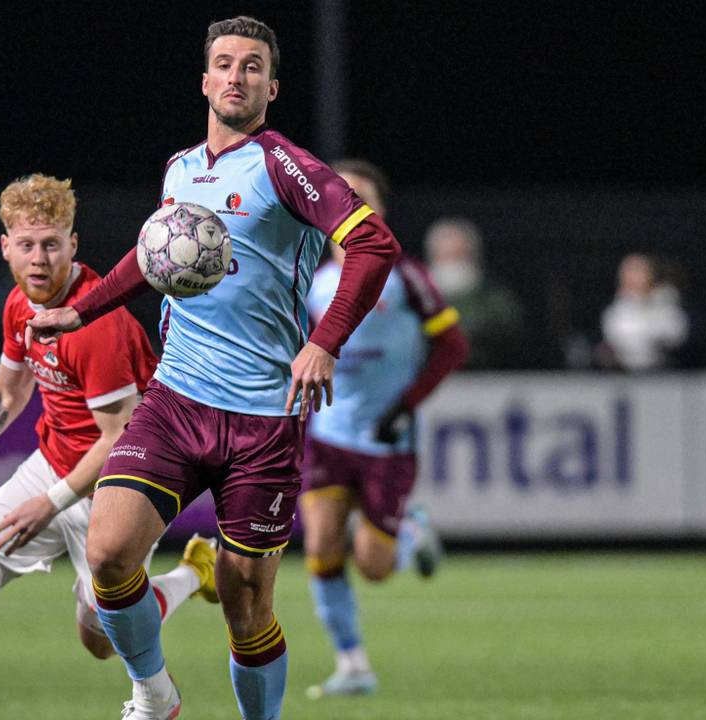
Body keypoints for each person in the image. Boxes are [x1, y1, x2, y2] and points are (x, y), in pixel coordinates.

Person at [27, 18, 401, 720]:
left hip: (264, 419)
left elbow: (373, 243)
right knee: (108, 555)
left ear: (271, 86)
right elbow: (154, 255)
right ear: (204, 81)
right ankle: (155, 693)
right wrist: (84, 310)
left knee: (246, 604)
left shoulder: (283, 165)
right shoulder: (179, 169)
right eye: (224, 64)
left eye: (252, 66)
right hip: (177, 399)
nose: (236, 76)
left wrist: (324, 340)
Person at [0, 174, 218, 720]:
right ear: (6, 247)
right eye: (26, 245)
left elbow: (117, 438)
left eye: (51, 244)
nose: (39, 258)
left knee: (101, 638)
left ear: (73, 244)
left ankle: (193, 576)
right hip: (55, 466)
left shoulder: (98, 324)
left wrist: (48, 504)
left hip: (124, 481)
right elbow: (7, 392)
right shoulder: (20, 306)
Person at [300, 159, 468, 699]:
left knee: (373, 566)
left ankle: (411, 528)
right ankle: (353, 665)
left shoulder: (408, 276)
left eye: (361, 198)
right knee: (322, 546)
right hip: (327, 433)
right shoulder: (312, 282)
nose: (348, 207)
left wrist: (407, 403)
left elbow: (452, 345)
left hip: (387, 440)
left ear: (381, 212)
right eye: (339, 198)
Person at [424, 217, 525, 369]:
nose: (452, 264)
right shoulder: (416, 295)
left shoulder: (494, 295)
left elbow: (509, 328)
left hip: (484, 377)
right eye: (445, 255)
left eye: (457, 254)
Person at [598, 253, 690, 371]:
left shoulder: (667, 302)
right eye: (629, 271)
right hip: (626, 373)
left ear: (651, 273)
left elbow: (676, 334)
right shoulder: (615, 311)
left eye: (638, 270)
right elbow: (619, 337)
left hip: (665, 373)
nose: (633, 276)